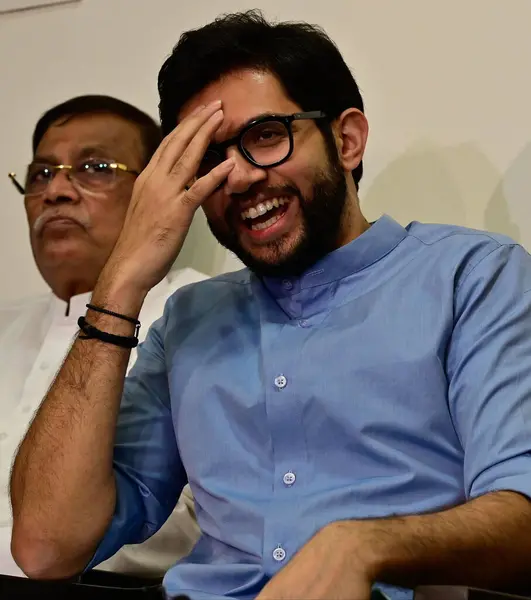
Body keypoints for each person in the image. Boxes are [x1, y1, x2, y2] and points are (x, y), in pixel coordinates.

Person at [10, 11, 531, 600]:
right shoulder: (186, 322)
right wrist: (120, 284)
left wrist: (366, 546)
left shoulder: (471, 277)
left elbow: (523, 513)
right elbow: (46, 548)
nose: (235, 178)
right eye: (210, 155)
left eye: (266, 136)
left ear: (347, 139)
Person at [1, 95, 204, 579]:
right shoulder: (6, 325)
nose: (56, 192)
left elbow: (202, 520)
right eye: (42, 174)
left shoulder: (201, 312)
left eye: (94, 167)